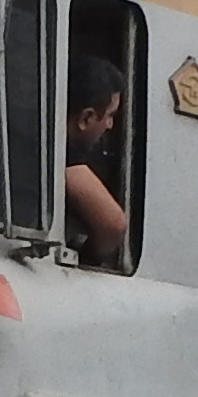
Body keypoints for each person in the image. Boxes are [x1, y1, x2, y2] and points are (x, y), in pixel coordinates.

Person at [63, 58, 132, 270]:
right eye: (110, 116)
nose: (110, 125)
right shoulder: (67, 162)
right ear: (86, 118)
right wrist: (88, 258)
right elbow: (113, 225)